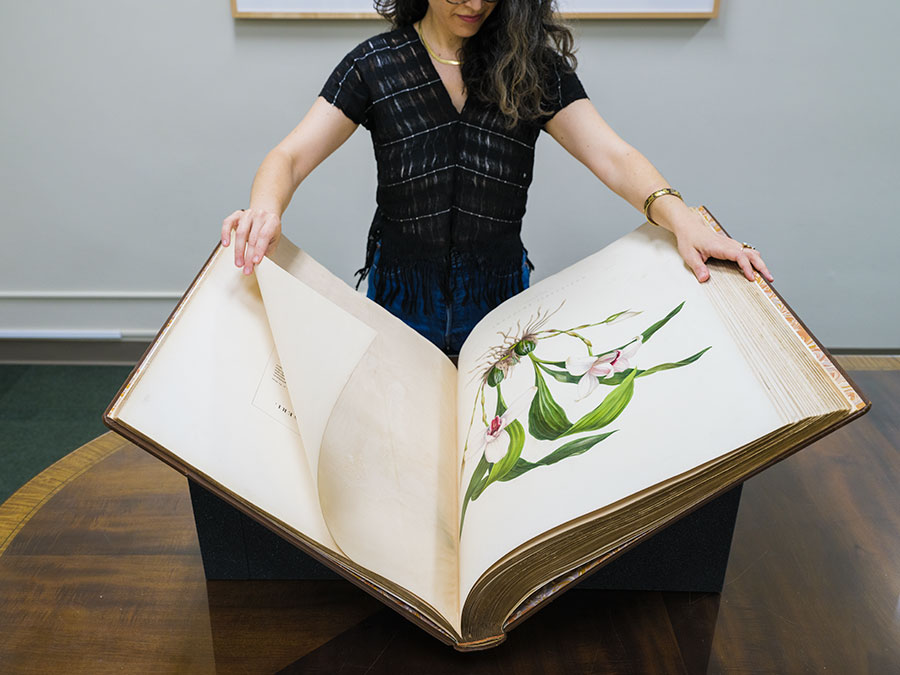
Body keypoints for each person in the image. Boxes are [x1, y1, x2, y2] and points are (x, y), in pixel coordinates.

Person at [221, 0, 772, 355]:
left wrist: (682, 218)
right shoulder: (375, 64)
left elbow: (614, 156)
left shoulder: (532, 66)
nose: (474, 3)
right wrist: (264, 209)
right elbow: (288, 157)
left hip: (500, 297)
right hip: (399, 296)